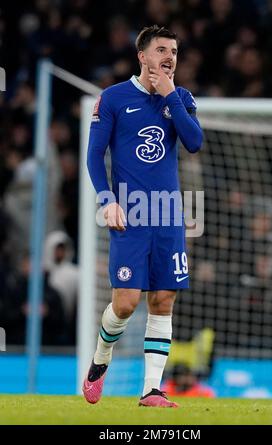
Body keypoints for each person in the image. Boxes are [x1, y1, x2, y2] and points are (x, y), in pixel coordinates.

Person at [84, 25, 203, 408]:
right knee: (125, 303)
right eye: (162, 50)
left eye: (175, 51)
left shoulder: (181, 96)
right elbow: (93, 155)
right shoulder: (114, 98)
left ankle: (151, 389)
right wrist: (106, 200)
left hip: (168, 216)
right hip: (129, 215)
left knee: (163, 299)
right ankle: (101, 357)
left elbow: (194, 142)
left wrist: (170, 94)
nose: (170, 56)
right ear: (143, 56)